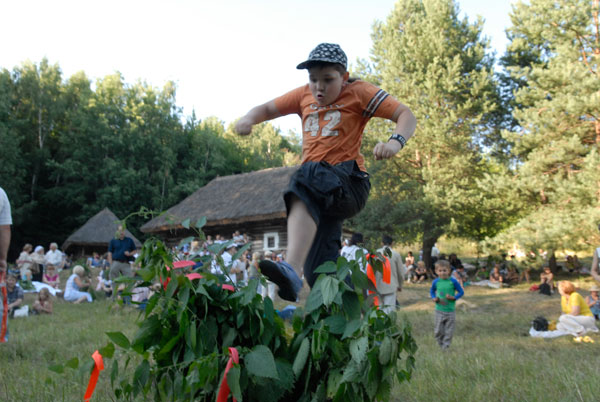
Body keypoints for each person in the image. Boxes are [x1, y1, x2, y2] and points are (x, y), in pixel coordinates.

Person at [235, 43, 416, 301]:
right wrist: (248, 119)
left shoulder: (360, 92)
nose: (319, 87)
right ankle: (349, 314)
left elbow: (405, 114)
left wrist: (395, 142)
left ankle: (290, 268)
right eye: (313, 80)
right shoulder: (302, 95)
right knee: (319, 271)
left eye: (328, 80)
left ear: (343, 77)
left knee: (306, 174)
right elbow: (265, 109)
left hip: (349, 184)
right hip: (322, 194)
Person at [429, 260, 464, 349]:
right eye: (440, 271)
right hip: (439, 310)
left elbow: (461, 292)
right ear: (436, 271)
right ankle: (440, 343)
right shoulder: (436, 282)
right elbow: (432, 291)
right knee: (438, 331)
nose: (442, 273)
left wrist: (454, 297)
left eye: (444, 270)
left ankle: (446, 346)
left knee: (449, 330)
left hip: (450, 310)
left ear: (449, 271)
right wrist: (434, 298)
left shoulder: (453, 281)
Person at [375, 235, 405, 313]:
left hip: (376, 285)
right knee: (389, 311)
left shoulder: (375, 253)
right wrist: (400, 285)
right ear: (392, 243)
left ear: (382, 243)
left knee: (379, 310)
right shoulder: (395, 254)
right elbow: (401, 273)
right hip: (391, 285)